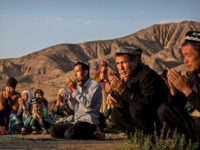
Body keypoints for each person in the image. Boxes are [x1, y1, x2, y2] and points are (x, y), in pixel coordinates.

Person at [108, 46, 168, 135]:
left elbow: (149, 102)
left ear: (135, 61)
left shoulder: (147, 75)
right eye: (118, 63)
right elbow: (125, 102)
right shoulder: (130, 76)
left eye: (123, 62)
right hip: (140, 116)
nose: (121, 67)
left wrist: (124, 91)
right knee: (116, 113)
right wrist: (115, 95)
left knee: (134, 107)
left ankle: (151, 136)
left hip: (156, 119)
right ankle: (139, 137)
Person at [158, 31, 200, 142]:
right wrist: (174, 91)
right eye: (183, 56)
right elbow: (179, 108)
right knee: (164, 110)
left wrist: (187, 90)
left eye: (189, 55)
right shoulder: (191, 76)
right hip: (193, 126)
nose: (184, 60)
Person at [50, 60, 102, 139]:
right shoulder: (78, 88)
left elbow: (88, 104)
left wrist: (74, 91)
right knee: (54, 131)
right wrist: (71, 92)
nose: (75, 74)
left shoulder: (95, 86)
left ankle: (95, 135)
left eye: (77, 71)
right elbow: (72, 107)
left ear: (85, 72)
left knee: (69, 134)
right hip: (77, 122)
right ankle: (73, 134)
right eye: (74, 71)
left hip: (89, 122)